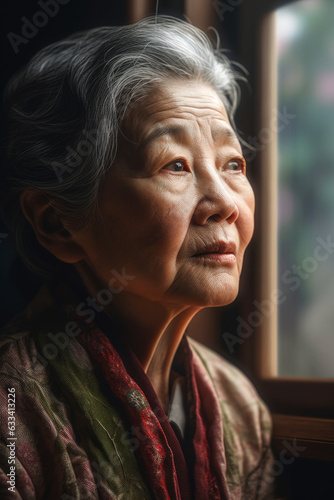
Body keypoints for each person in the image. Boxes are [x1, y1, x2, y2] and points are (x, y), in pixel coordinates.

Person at [0, 16, 275, 499]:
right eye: (175, 165)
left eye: (233, 163)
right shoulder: (12, 407)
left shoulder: (240, 406)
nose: (226, 203)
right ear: (58, 224)